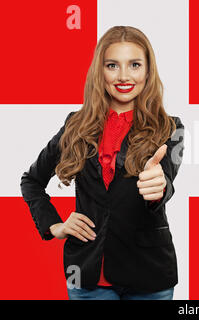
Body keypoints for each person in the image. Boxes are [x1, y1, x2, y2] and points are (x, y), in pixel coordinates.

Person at [20, 26, 184, 300]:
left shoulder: (170, 128)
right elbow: (31, 181)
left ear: (147, 71)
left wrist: (158, 187)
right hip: (86, 274)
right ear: (100, 71)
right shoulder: (76, 124)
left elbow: (165, 182)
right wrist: (55, 226)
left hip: (150, 275)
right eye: (112, 65)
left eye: (134, 65)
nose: (123, 76)